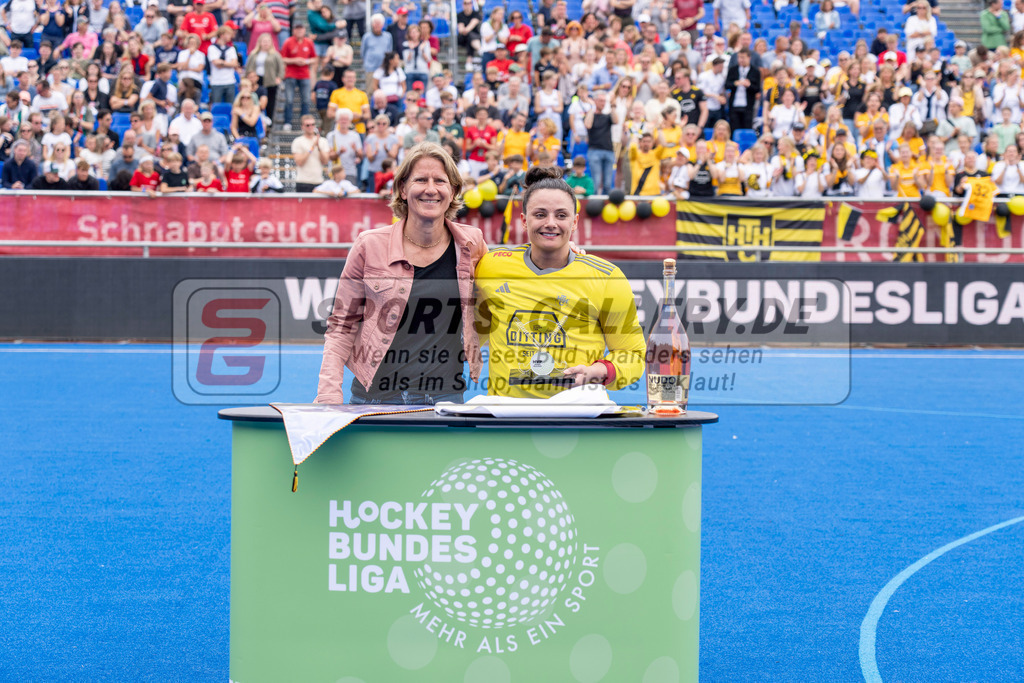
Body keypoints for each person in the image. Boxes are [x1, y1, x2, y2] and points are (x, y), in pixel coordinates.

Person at [315, 141, 486, 404]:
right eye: (420, 180)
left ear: (453, 191)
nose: (431, 189)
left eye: (440, 181)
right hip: (374, 400)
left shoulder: (471, 243)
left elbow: (514, 272)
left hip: (445, 401)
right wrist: (328, 394)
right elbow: (341, 325)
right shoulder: (369, 245)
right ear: (403, 189)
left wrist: (565, 252)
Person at [474, 166, 645, 398]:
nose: (551, 223)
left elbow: (632, 354)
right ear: (524, 220)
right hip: (506, 418)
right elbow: (470, 331)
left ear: (574, 222)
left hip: (577, 415)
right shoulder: (491, 266)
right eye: (540, 214)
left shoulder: (606, 277)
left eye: (561, 215)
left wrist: (597, 370)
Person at [281, 23, 316, 131]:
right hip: (291, 74)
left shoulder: (309, 42)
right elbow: (282, 58)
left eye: (301, 29)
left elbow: (314, 58)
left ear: (304, 30)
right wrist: (294, 60)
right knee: (289, 99)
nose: (299, 31)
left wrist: (305, 61)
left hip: (304, 74)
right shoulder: (288, 42)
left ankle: (305, 123)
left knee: (306, 100)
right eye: (297, 29)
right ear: (293, 31)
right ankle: (287, 122)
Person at [292, 114, 330, 191]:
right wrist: (312, 147)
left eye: (313, 124)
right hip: (303, 181)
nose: (310, 127)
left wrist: (318, 147)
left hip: (318, 181)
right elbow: (299, 162)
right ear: (302, 126)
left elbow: (325, 161)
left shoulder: (323, 141)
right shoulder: (298, 141)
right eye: (307, 125)